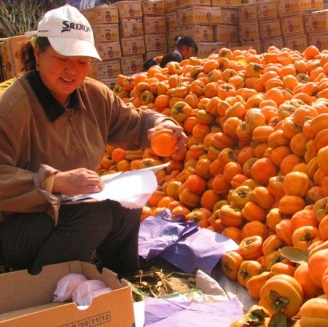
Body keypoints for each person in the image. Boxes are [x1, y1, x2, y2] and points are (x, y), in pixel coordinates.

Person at [0, 5, 187, 277]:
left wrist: (162, 126)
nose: (72, 71)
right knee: (93, 215)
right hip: (15, 227)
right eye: (62, 58)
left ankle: (119, 284)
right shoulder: (13, 108)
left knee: (126, 206)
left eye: (82, 62)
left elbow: (134, 122)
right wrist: (54, 182)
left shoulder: (93, 96)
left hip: (65, 211)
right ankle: (50, 293)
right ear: (38, 53)